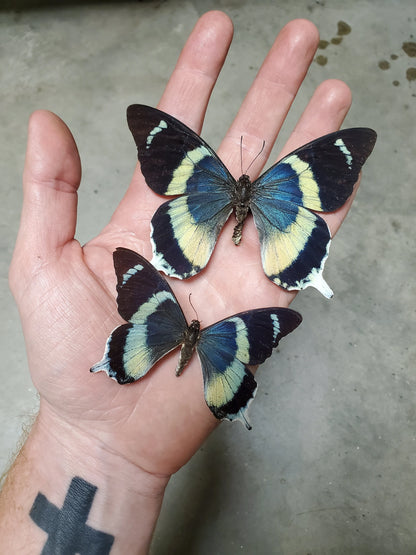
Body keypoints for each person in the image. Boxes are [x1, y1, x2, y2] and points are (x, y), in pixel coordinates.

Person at [0, 11, 355, 554]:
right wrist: (87, 438)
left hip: (185, 261)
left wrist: (83, 445)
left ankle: (159, 347)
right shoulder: (219, 319)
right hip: (228, 271)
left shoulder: (164, 298)